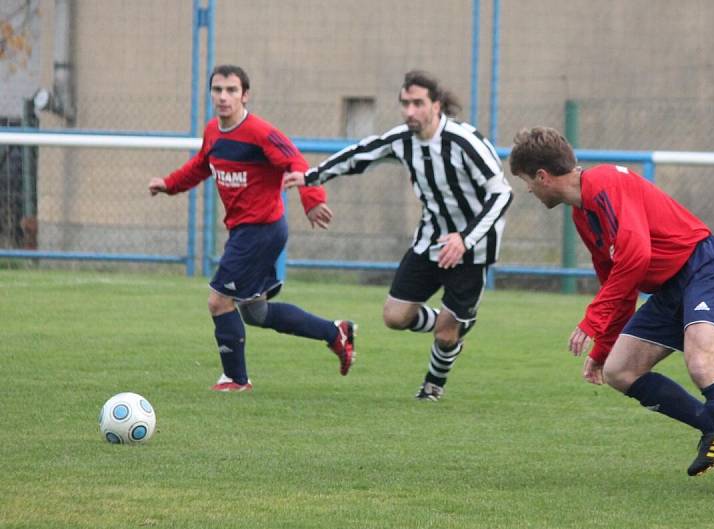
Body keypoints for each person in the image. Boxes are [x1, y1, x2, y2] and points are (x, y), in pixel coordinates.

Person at [509, 126, 714, 495]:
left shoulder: (606, 183)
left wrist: (591, 320)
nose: (528, 189)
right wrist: (602, 348)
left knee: (701, 363)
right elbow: (616, 282)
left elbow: (635, 256)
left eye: (527, 181)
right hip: (669, 286)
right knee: (619, 371)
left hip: (703, 267)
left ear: (543, 176)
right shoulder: (583, 214)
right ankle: (711, 425)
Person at [284, 70, 513, 401]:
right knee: (395, 316)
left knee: (446, 335)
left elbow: (502, 194)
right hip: (430, 242)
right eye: (404, 104)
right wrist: (312, 177)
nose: (409, 112)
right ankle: (454, 325)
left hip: (472, 249)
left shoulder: (465, 142)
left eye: (417, 104)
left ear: (436, 105)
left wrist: (464, 238)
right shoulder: (403, 140)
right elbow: (361, 154)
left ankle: (432, 386)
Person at [148, 64, 356, 391]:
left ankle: (235, 379)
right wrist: (169, 184)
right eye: (217, 90)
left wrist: (312, 199)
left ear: (245, 95)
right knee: (256, 313)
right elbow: (201, 166)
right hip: (245, 231)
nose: (223, 97)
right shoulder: (214, 133)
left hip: (260, 230)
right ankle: (336, 332)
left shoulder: (260, 133)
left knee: (218, 301)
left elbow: (295, 162)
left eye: (231, 90)